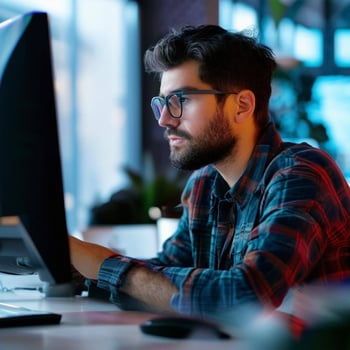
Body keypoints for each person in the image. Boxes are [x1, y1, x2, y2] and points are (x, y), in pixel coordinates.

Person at [69, 25, 350, 319]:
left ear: (241, 106)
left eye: (182, 100)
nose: (164, 119)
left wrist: (106, 266)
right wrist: (79, 267)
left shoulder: (301, 174)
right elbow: (163, 274)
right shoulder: (204, 184)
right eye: (163, 103)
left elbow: (248, 295)